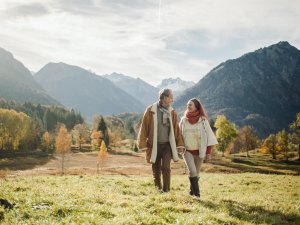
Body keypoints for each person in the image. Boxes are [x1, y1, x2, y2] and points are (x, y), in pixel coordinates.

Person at [137, 88, 185, 192]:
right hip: (154, 145)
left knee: (166, 168)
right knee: (156, 169)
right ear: (164, 97)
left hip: (167, 145)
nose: (172, 99)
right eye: (171, 97)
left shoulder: (172, 112)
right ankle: (158, 190)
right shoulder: (150, 110)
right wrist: (143, 144)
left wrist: (180, 144)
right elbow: (144, 127)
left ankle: (166, 191)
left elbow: (176, 129)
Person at [179, 98, 218, 197]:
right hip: (187, 151)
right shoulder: (183, 120)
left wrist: (208, 153)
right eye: (187, 105)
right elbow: (178, 135)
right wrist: (179, 147)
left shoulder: (203, 120)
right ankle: (197, 195)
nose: (188, 106)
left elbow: (209, 137)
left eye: (190, 105)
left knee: (196, 173)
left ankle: (191, 192)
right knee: (192, 171)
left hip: (200, 152)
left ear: (196, 107)